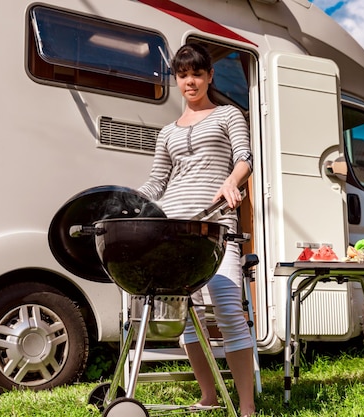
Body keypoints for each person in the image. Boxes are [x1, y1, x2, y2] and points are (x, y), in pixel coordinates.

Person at [138, 42, 256, 417]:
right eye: (184, 74)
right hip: (173, 230)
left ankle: (248, 406)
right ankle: (209, 396)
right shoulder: (166, 132)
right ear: (177, 79)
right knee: (187, 316)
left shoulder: (228, 116)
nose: (191, 81)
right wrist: (128, 200)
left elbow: (244, 158)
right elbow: (157, 182)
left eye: (198, 74)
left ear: (209, 76)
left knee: (227, 310)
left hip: (214, 227)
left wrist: (231, 183)